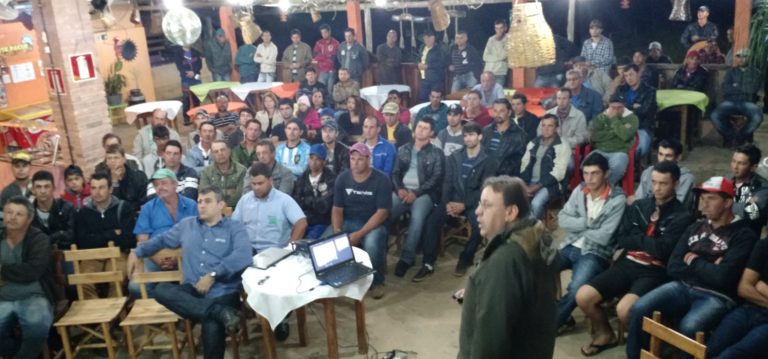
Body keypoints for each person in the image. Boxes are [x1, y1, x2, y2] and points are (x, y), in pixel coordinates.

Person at [626, 176, 757, 359]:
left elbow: (723, 278)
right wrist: (710, 266)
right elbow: (673, 265)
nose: (704, 204)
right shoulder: (695, 226)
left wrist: (693, 259)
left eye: (711, 199)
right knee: (639, 308)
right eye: (703, 199)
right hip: (682, 285)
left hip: (717, 296)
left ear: (727, 202)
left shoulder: (744, 235)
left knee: (689, 327)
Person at [576, 161, 693, 356]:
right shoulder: (640, 205)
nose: (656, 188)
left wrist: (638, 237)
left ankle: (646, 344)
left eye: (663, 183)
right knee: (583, 296)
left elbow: (663, 250)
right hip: (627, 262)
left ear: (676, 184)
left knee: (625, 310)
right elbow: (622, 238)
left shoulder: (683, 216)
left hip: (654, 270)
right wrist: (646, 241)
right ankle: (606, 334)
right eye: (654, 182)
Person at [127, 186, 251, 359]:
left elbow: (243, 255)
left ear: (220, 205)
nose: (201, 205)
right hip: (191, 291)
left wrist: (213, 275)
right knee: (161, 289)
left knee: (211, 325)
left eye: (207, 201)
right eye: (199, 201)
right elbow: (162, 240)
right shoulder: (187, 225)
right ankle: (220, 313)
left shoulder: (234, 228)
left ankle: (216, 314)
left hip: (224, 291)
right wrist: (136, 251)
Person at [457, 176, 559, 359]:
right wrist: (480, 289)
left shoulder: (504, 262)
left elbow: (490, 342)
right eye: (480, 204)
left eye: (487, 206)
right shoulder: (534, 239)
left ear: (510, 212)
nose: (478, 212)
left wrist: (490, 283)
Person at [556, 153, 626, 334]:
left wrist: (577, 225)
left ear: (606, 174)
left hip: (595, 253)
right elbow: (562, 219)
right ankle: (561, 315)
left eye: (595, 173)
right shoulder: (580, 190)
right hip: (570, 245)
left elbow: (604, 236)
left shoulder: (617, 199)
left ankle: (552, 322)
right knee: (537, 270)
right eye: (586, 173)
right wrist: (587, 223)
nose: (589, 178)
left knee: (576, 288)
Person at [425, 122, 497, 277]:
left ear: (480, 136)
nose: (468, 139)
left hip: (473, 202)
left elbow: (485, 189)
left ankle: (466, 257)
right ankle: (428, 261)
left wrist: (464, 205)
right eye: (465, 135)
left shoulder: (489, 160)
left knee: (479, 226)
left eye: (471, 135)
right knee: (431, 221)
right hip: (452, 200)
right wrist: (447, 203)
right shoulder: (454, 157)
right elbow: (447, 182)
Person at [330, 143, 392, 299]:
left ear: (368, 159)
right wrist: (337, 231)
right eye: (352, 158)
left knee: (372, 243)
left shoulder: (381, 180)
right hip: (348, 221)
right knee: (326, 241)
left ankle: (377, 281)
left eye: (360, 159)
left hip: (373, 224)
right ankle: (337, 278)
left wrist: (359, 234)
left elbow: (382, 213)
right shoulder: (342, 178)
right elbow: (337, 209)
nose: (355, 162)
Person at [0, 196, 54, 359]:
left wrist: (2, 271)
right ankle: (12, 352)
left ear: (29, 219)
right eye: (9, 212)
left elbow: (32, 271)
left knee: (37, 325)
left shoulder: (39, 239)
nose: (12, 217)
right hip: (2, 299)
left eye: (19, 214)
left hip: (33, 297)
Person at [390, 117, 445, 278]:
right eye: (419, 126)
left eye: (425, 128)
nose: (420, 130)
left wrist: (416, 193)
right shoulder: (403, 149)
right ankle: (377, 251)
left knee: (418, 218)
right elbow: (395, 173)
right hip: (403, 191)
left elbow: (436, 178)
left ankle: (407, 259)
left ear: (431, 133)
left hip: (424, 194)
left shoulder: (436, 153)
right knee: (384, 212)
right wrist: (399, 188)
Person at [131, 169, 198, 297]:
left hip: (187, 257)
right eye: (156, 185)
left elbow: (199, 235)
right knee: (135, 287)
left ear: (175, 184)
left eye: (163, 183)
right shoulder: (148, 208)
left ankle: (182, 305)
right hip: (155, 256)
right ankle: (166, 301)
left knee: (198, 284)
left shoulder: (191, 205)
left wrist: (178, 256)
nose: (159, 187)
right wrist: (157, 259)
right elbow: (142, 240)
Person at [74, 173, 137, 298]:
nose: (97, 192)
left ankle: (115, 313)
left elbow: (128, 240)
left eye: (101, 187)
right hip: (92, 256)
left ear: (110, 189)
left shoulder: (124, 208)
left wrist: (95, 237)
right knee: (83, 282)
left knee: (116, 279)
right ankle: (96, 314)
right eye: (93, 188)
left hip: (118, 254)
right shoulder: (83, 213)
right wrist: (112, 233)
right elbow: (82, 242)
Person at [706, 230, 768, 357]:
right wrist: (760, 287)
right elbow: (744, 288)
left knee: (730, 355)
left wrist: (761, 287)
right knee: (710, 348)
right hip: (749, 309)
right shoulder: (764, 245)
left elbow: (760, 286)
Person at [232, 162, 307, 252]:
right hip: (247, 250)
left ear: (270, 181)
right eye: (253, 184)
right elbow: (234, 225)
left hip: (274, 251)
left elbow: (301, 223)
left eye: (260, 183)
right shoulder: (244, 200)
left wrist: (289, 249)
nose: (256, 188)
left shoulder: (284, 200)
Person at [519, 114, 571, 219]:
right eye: (543, 125)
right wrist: (523, 184)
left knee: (536, 204)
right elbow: (524, 164)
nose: (546, 129)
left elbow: (558, 173)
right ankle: (532, 224)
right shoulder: (534, 142)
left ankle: (534, 229)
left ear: (556, 128)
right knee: (513, 199)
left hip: (551, 184)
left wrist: (537, 186)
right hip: (530, 181)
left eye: (550, 126)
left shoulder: (562, 146)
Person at [710, 49, 763, 147]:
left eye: (744, 56)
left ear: (749, 58)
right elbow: (726, 88)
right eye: (738, 56)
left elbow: (752, 89)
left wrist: (736, 85)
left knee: (757, 117)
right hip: (730, 102)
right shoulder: (731, 72)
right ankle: (731, 136)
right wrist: (743, 87)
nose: (740, 59)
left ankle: (741, 136)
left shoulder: (756, 73)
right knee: (715, 115)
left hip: (748, 103)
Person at [589, 95, 639, 185]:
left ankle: (605, 187)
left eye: (619, 107)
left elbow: (625, 135)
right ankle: (595, 187)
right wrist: (617, 131)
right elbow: (595, 137)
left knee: (617, 166)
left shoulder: (632, 118)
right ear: (608, 106)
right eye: (613, 107)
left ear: (624, 106)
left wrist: (613, 119)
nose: (615, 110)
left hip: (620, 151)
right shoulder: (601, 117)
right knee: (587, 164)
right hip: (601, 150)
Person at [631, 139, 695, 206]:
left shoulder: (686, 178)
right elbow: (639, 200)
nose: (663, 159)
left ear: (678, 157)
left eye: (668, 156)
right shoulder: (648, 172)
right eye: (660, 154)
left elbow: (677, 206)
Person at [293, 144, 336, 239]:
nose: (313, 162)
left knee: (309, 242)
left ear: (324, 162)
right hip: (303, 220)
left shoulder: (331, 179)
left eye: (318, 159)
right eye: (311, 158)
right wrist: (315, 200)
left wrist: (306, 200)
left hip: (322, 222)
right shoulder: (302, 178)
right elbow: (297, 202)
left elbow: (324, 206)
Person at [615, 64, 657, 159]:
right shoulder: (621, 90)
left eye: (631, 74)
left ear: (638, 74)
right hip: (621, 126)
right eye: (626, 76)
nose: (629, 78)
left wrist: (624, 108)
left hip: (641, 127)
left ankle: (633, 168)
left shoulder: (650, 91)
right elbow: (615, 108)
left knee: (637, 150)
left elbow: (644, 111)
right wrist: (632, 106)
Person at [729, 144, 768, 236]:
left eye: (741, 163)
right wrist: (742, 206)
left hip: (745, 235)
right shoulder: (725, 179)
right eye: (733, 161)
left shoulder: (763, 187)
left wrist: (721, 205)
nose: (735, 167)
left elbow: (751, 213)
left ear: (753, 167)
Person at [29, 170, 75, 250]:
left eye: (46, 186)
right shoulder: (27, 213)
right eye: (38, 187)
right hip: (37, 255)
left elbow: (72, 236)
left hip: (64, 254)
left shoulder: (66, 208)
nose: (43, 191)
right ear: (33, 190)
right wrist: (59, 234)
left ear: (54, 188)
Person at [481, 98, 527, 177]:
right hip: (483, 175)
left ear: (509, 112)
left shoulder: (519, 134)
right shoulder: (486, 131)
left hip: (505, 179)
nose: (497, 114)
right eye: (495, 111)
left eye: (501, 111)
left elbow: (519, 161)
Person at [200, 140, 247, 208]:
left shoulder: (241, 170)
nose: (220, 153)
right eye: (216, 152)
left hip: (236, 209)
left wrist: (223, 204)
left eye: (223, 150)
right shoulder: (206, 172)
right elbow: (204, 194)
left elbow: (241, 195)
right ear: (212, 155)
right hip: (213, 210)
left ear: (229, 151)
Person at [104, 144, 148, 212]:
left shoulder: (139, 177)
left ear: (124, 159)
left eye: (116, 158)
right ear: (106, 162)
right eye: (109, 158)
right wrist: (114, 182)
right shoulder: (103, 181)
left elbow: (143, 201)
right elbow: (110, 206)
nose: (112, 161)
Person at [174, 46, 202, 124]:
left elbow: (199, 64)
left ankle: (197, 115)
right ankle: (186, 118)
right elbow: (179, 66)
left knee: (196, 97)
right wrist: (188, 72)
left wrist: (194, 72)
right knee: (186, 98)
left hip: (196, 77)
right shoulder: (178, 53)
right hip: (185, 78)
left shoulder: (195, 51)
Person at [416, 30, 446, 102]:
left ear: (434, 39)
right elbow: (419, 58)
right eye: (426, 38)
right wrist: (418, 63)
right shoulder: (422, 47)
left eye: (430, 38)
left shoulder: (439, 49)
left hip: (436, 79)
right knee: (423, 98)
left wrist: (428, 66)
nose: (428, 40)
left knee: (435, 99)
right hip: (424, 78)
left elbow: (442, 63)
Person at [313, 24, 339, 93]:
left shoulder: (335, 43)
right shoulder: (319, 43)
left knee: (331, 90)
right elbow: (315, 56)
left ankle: (330, 104)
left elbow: (335, 58)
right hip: (322, 70)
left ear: (329, 32)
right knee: (320, 89)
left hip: (332, 71)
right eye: (322, 33)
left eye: (325, 32)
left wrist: (323, 57)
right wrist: (326, 56)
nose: (324, 34)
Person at [482, 19, 509, 86]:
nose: (498, 31)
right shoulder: (491, 39)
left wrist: (498, 41)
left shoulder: (509, 39)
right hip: (487, 72)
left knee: (497, 95)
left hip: (500, 73)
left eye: (501, 28)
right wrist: (500, 59)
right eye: (496, 28)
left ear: (505, 28)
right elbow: (485, 57)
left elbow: (504, 55)